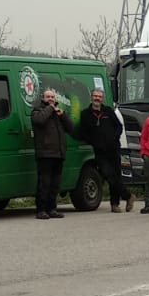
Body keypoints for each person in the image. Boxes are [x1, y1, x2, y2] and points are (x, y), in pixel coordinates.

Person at [78, 86, 131, 213]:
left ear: (102, 99)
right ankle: (128, 196)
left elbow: (119, 127)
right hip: (100, 152)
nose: (97, 99)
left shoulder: (108, 111)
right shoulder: (85, 114)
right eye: (95, 96)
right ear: (91, 98)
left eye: (99, 97)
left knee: (116, 176)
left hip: (113, 149)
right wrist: (93, 142)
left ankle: (115, 204)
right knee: (108, 175)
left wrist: (115, 138)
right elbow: (83, 133)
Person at [31, 87, 69, 219]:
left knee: (55, 184)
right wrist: (50, 108)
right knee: (45, 183)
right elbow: (39, 120)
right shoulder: (37, 111)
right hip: (45, 154)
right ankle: (41, 209)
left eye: (53, 97)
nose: (51, 99)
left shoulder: (57, 113)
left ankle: (52, 208)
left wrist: (63, 115)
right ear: (43, 98)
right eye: (48, 97)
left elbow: (70, 127)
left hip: (58, 153)